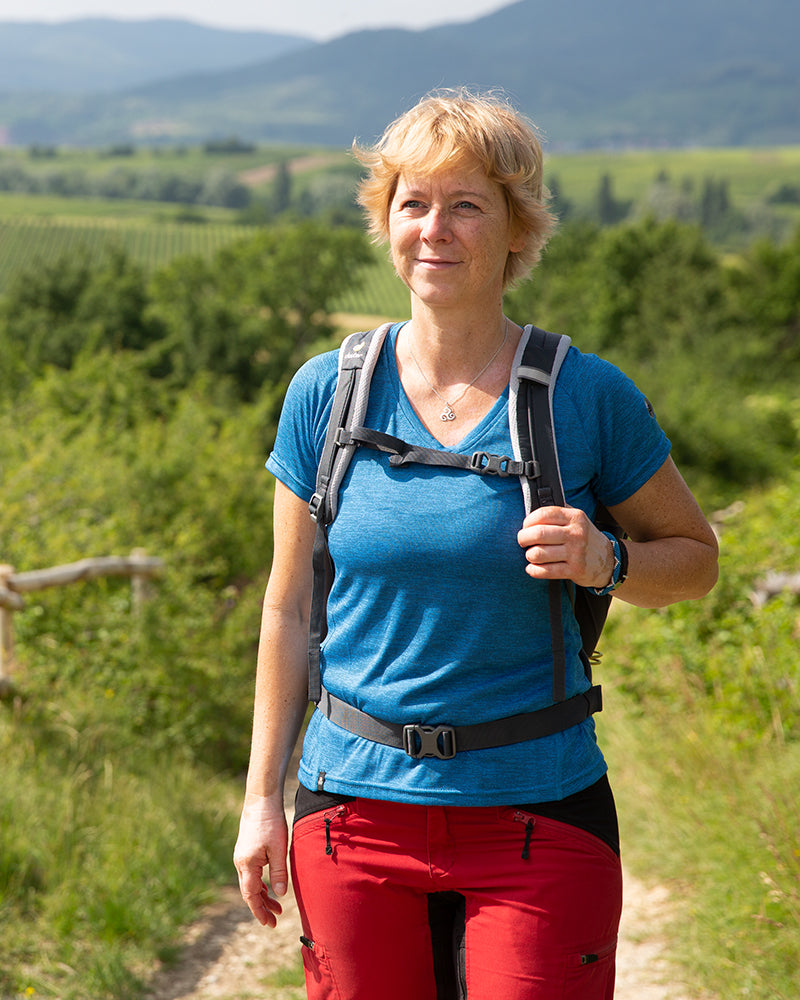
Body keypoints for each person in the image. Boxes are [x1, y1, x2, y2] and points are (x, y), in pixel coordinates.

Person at [233, 89, 719, 1000]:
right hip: (351, 812)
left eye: (467, 205)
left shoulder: (586, 396)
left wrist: (608, 560)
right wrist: (262, 800)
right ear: (386, 222)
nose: (435, 229)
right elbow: (289, 606)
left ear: (515, 229)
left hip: (539, 814)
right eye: (413, 203)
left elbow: (694, 559)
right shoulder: (327, 394)